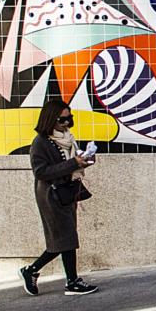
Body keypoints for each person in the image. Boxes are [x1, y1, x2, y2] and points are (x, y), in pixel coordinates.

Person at [21, 99, 98, 294]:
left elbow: (69, 162)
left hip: (67, 192)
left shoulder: (66, 137)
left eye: (69, 119)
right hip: (51, 195)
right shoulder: (40, 143)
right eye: (62, 119)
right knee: (66, 238)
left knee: (63, 239)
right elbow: (41, 172)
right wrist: (73, 163)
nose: (66, 123)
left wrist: (84, 160)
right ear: (50, 119)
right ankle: (71, 281)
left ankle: (31, 270)